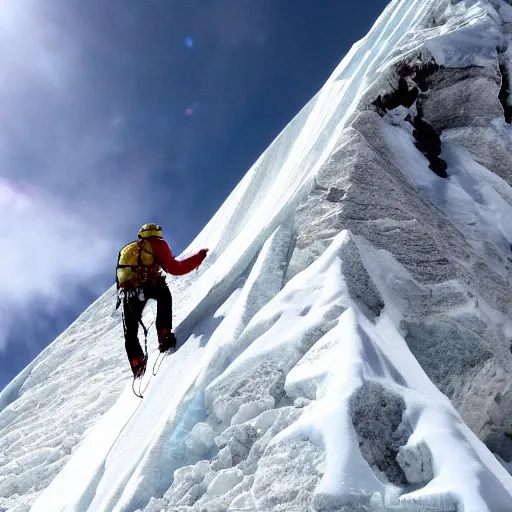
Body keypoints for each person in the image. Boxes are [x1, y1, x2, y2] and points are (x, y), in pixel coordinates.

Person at [116, 223, 208, 377]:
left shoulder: (131, 248)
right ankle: (164, 335)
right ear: (157, 232)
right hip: (150, 285)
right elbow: (174, 267)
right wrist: (198, 258)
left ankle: (137, 363)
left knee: (130, 331)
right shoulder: (158, 244)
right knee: (164, 297)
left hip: (129, 291)